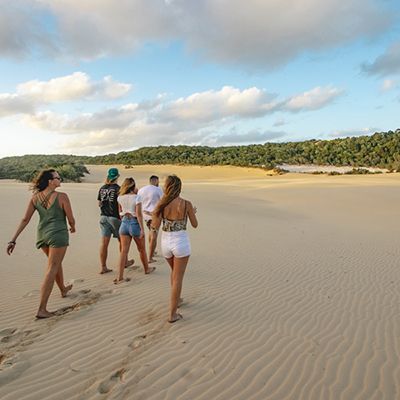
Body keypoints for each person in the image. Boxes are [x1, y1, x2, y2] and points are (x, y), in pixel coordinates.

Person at [6, 169, 76, 319]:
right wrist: (73, 226)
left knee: (55, 263)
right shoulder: (62, 196)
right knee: (52, 267)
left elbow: (25, 219)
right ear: (51, 181)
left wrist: (13, 239)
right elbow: (70, 218)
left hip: (42, 235)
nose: (60, 180)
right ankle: (42, 309)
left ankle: (63, 289)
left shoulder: (35, 198)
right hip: (57, 234)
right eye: (58, 177)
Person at [152, 175, 198, 323]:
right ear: (179, 187)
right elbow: (195, 224)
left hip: (165, 243)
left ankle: (177, 300)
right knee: (178, 278)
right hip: (181, 243)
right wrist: (192, 212)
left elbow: (155, 226)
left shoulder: (161, 204)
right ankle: (172, 314)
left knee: (174, 274)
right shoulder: (186, 204)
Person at [114, 177, 155, 284]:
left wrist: (124, 218)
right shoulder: (137, 197)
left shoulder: (120, 197)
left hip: (124, 224)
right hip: (134, 223)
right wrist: (142, 229)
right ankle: (147, 269)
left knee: (123, 251)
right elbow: (139, 214)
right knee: (141, 249)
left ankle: (120, 276)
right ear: (133, 186)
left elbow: (119, 212)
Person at [97, 167, 133, 274]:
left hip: (103, 217)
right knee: (122, 241)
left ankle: (103, 266)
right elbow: (120, 204)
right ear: (117, 177)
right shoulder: (118, 189)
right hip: (115, 217)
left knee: (104, 243)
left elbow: (99, 203)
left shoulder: (102, 188)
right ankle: (125, 261)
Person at [137, 175, 163, 263]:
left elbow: (138, 202)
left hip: (144, 215)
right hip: (155, 215)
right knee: (154, 236)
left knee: (151, 233)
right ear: (156, 181)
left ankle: (153, 251)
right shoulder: (158, 189)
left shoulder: (141, 190)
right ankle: (150, 257)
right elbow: (163, 202)